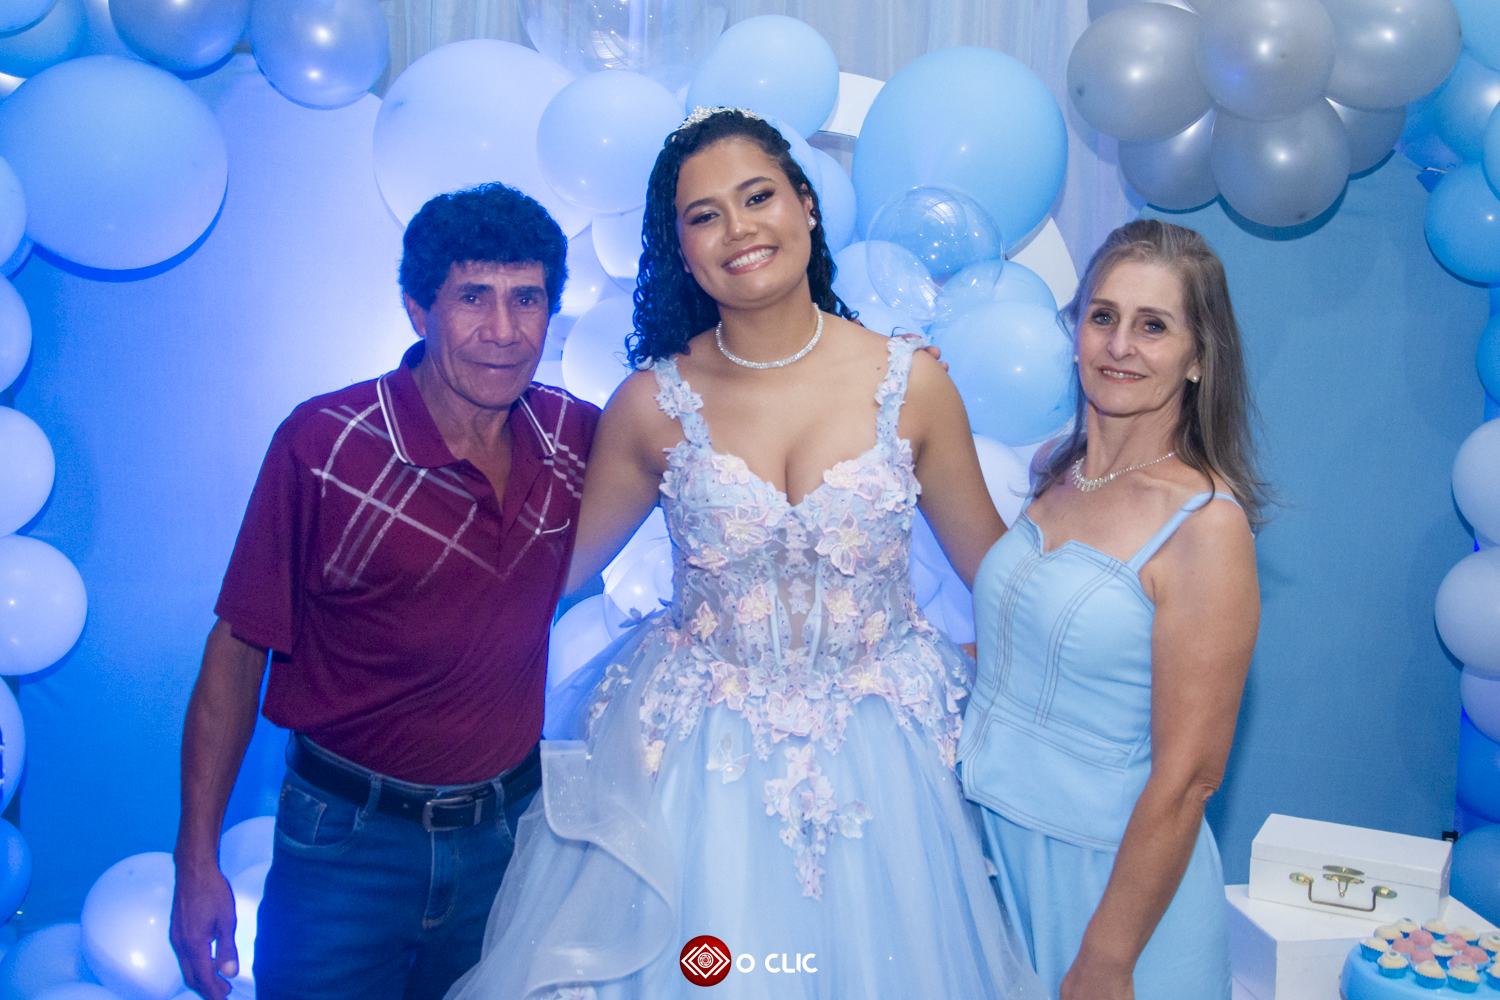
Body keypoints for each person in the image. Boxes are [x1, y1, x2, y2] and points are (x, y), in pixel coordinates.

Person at [445, 108, 1043, 1000]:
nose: (738, 229)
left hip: (885, 766)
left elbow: (998, 579)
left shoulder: (912, 384)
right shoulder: (651, 403)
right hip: (694, 769)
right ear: (682, 252)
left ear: (806, 206)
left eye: (758, 197)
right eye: (705, 215)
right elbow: (545, 579)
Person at [169, 183, 600, 1000]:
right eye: (472, 297)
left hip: (508, 846)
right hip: (346, 849)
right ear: (416, 310)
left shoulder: (575, 437)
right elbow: (236, 653)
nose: (504, 330)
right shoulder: (325, 444)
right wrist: (196, 865)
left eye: (527, 299)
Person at [958, 219, 1266, 1000]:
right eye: (1103, 316)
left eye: (1153, 325)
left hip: (1113, 889)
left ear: (1198, 358)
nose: (1120, 345)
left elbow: (1190, 776)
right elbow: (1025, 655)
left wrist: (1108, 957)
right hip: (995, 856)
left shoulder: (1205, 527)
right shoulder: (1053, 472)